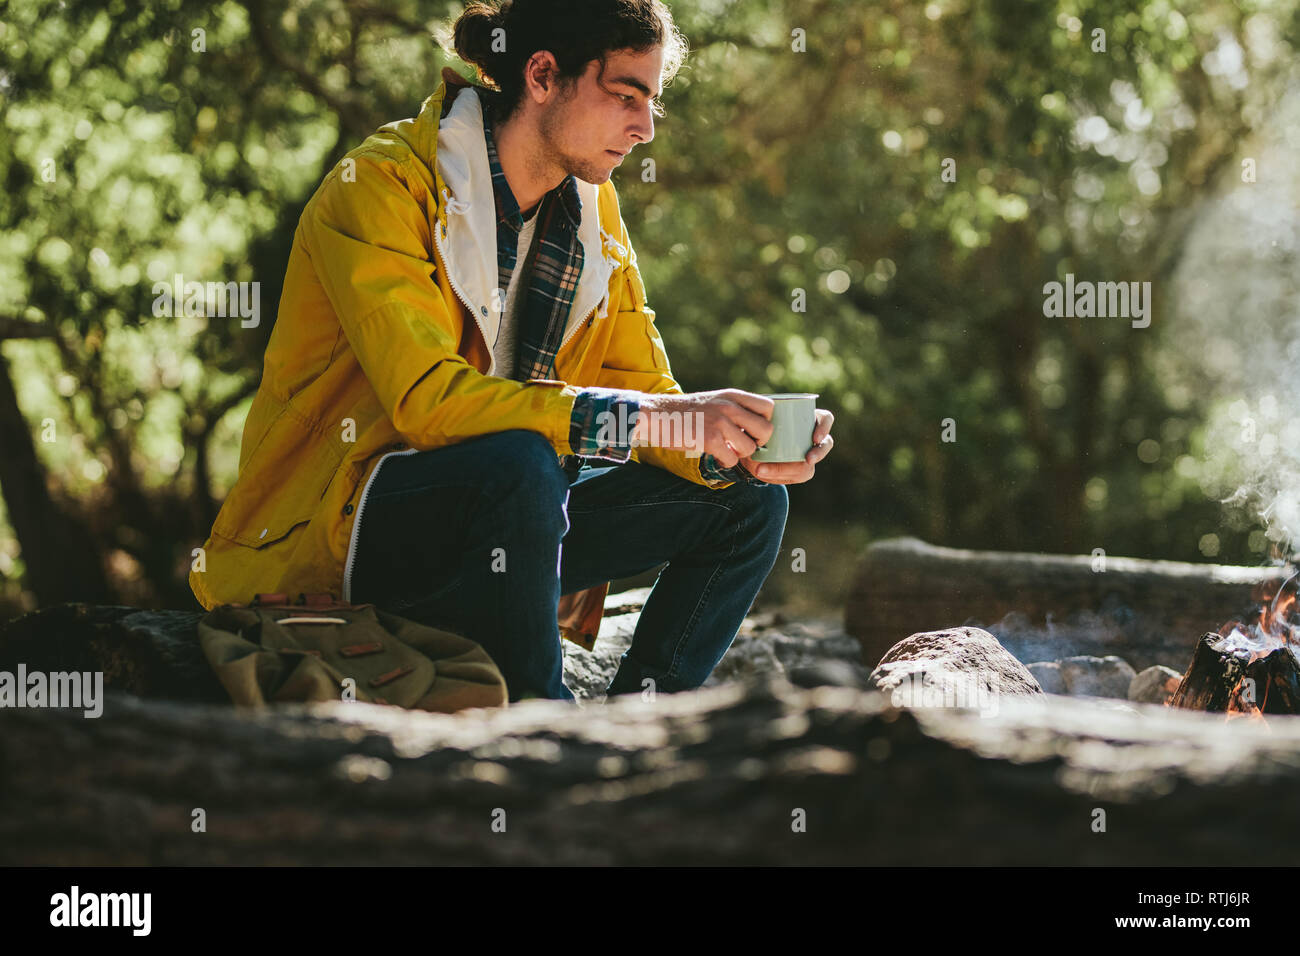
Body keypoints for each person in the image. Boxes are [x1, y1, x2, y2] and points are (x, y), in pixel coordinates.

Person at [188, 0, 835, 703]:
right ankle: (542, 721)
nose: (646, 129)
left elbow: (641, 391)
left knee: (746, 502)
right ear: (543, 75)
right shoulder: (383, 185)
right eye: (627, 96)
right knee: (523, 461)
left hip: (516, 519)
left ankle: (646, 724)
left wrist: (726, 445)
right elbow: (428, 405)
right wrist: (656, 419)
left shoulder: (594, 211)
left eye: (653, 104)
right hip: (353, 529)